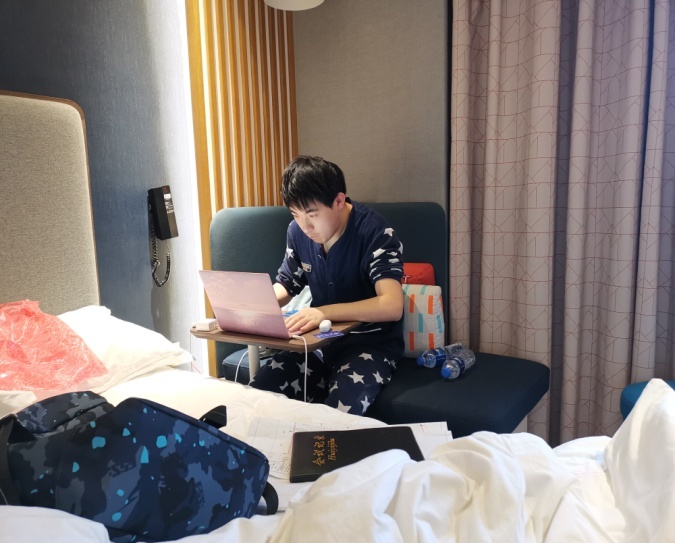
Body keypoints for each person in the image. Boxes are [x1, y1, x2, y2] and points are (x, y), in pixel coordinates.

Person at [249, 155, 404, 415]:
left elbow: (392, 305)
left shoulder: (375, 233)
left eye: (312, 215)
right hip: (318, 345)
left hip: (369, 347)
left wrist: (323, 312)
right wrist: (248, 307)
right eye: (296, 214)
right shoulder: (296, 232)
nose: (305, 226)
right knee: (257, 395)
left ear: (339, 201)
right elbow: (287, 284)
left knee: (339, 412)